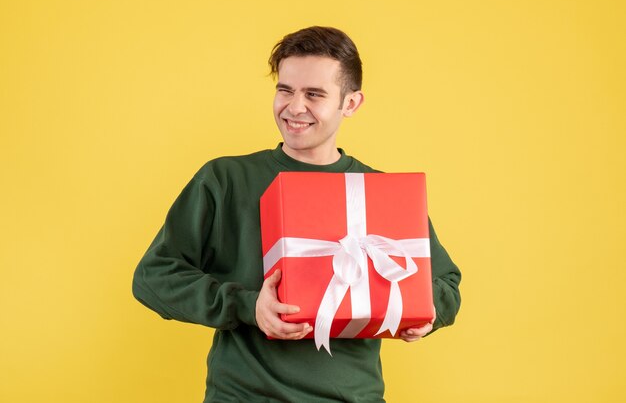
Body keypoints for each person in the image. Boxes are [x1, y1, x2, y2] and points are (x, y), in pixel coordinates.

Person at [132, 26, 461, 402]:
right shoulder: (225, 180)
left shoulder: (379, 192)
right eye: (285, 90)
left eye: (314, 94)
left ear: (350, 103)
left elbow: (446, 285)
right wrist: (246, 305)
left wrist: (420, 311)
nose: (294, 107)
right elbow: (152, 276)